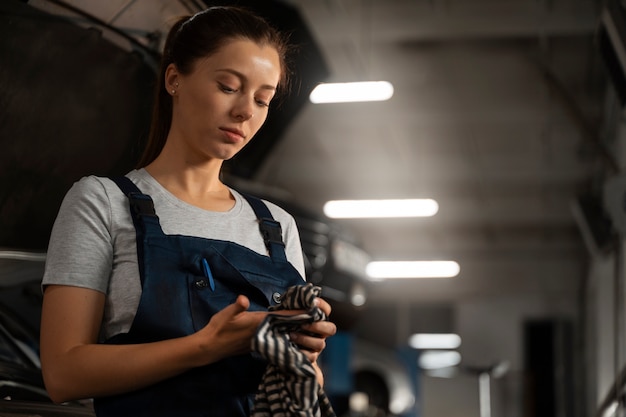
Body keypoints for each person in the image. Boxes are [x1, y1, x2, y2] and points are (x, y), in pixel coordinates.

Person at [39, 6, 337, 416]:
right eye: (229, 86)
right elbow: (63, 373)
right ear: (175, 78)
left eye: (263, 99)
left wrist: (303, 356)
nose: (246, 112)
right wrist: (206, 346)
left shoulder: (277, 226)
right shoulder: (103, 202)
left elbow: (304, 383)